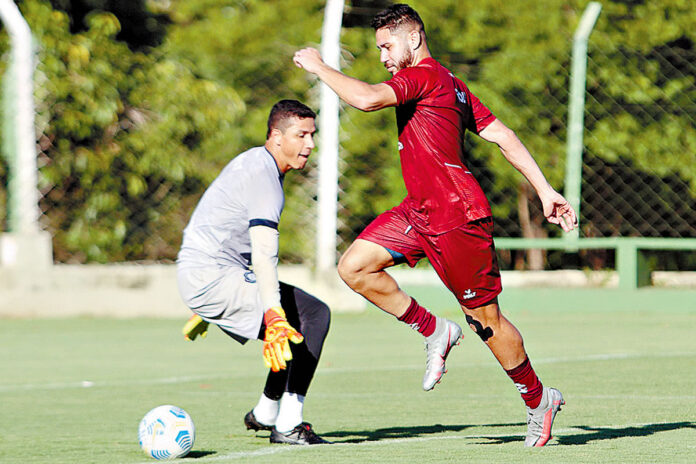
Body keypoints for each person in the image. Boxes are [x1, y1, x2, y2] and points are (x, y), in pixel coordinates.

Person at [293, 4, 577, 447]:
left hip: (457, 217)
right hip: (419, 212)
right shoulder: (453, 86)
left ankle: (539, 399)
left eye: (388, 46)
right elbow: (502, 135)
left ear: (414, 38)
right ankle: (435, 330)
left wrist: (318, 66)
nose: (384, 57)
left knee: (486, 322)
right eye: (379, 49)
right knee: (355, 267)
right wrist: (544, 189)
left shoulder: (425, 77)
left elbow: (367, 99)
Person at [176, 99, 331, 445]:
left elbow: (212, 222)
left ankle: (265, 413)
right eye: (301, 135)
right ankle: (288, 424)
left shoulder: (252, 162)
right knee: (313, 316)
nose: (310, 144)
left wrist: (203, 297)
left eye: (313, 135)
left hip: (205, 274)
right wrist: (273, 313)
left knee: (296, 321)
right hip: (214, 276)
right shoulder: (264, 177)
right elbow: (263, 256)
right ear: (276, 136)